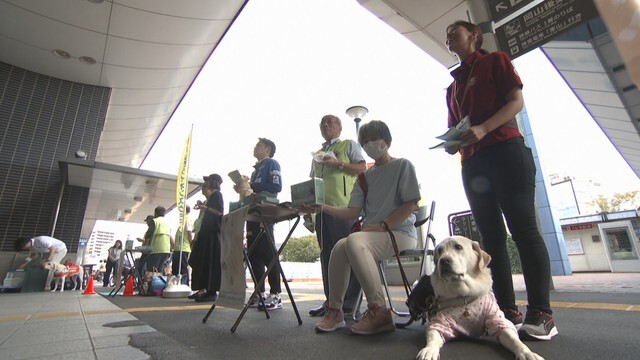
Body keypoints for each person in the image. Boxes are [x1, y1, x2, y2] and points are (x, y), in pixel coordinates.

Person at [442, 20, 557, 340]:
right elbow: (456, 127)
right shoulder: (452, 87)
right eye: (446, 36)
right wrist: (452, 143)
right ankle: (505, 310)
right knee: (491, 240)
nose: (449, 37)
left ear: (474, 35)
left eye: (455, 32)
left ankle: (542, 314)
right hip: (473, 163)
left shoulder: (495, 61)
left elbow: (516, 101)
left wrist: (484, 128)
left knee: (523, 229)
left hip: (505, 151)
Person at [302, 120, 421, 335]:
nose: (369, 145)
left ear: (386, 141)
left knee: (355, 240)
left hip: (400, 232)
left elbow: (411, 204)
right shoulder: (365, 176)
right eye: (364, 142)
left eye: (373, 140)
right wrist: (323, 208)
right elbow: (352, 212)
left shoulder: (403, 165)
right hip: (373, 235)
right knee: (340, 246)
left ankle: (379, 310)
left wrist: (384, 225)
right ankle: (336, 311)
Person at [307, 114, 366, 318]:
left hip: (344, 208)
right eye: (322, 122)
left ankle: (349, 304)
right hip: (322, 211)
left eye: (329, 122)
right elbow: (312, 181)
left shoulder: (348, 145)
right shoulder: (317, 154)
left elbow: (362, 167)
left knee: (348, 255)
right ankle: (331, 303)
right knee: (327, 256)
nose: (325, 125)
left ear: (340, 128)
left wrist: (338, 164)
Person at [239, 138, 283, 311]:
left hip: (265, 213)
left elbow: (276, 186)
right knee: (254, 254)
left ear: (268, 149)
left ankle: (275, 295)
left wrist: (251, 185)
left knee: (268, 253)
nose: (254, 147)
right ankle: (259, 294)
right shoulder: (255, 170)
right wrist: (244, 188)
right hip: (252, 213)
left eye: (258, 145)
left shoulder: (272, 163)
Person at [189, 174, 224, 302]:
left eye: (208, 181)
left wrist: (205, 208)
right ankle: (202, 289)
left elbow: (219, 212)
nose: (206, 184)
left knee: (209, 261)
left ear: (213, 182)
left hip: (212, 233)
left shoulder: (217, 195)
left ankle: (210, 290)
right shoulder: (211, 197)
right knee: (201, 261)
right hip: (206, 232)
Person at [145, 206, 172, 273]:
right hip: (166, 250)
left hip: (156, 250)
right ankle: (158, 283)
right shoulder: (167, 223)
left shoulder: (154, 221)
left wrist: (145, 248)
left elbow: (148, 235)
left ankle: (151, 283)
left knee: (152, 270)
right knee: (159, 270)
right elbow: (170, 237)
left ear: (155, 213)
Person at [172, 205, 193, 285]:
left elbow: (189, 232)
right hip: (178, 248)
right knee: (176, 268)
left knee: (183, 268)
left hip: (183, 248)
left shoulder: (187, 219)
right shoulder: (183, 220)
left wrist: (191, 244)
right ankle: (177, 284)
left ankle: (185, 285)